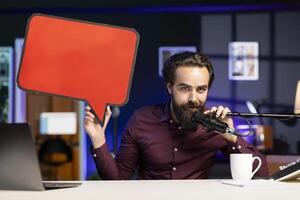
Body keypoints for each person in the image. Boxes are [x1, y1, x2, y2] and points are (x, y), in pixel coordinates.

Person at [84, 52, 269, 179]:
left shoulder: (216, 124)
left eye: (201, 89)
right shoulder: (141, 120)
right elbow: (118, 179)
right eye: (185, 88)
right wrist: (98, 139)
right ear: (169, 87)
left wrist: (231, 137)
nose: (193, 98)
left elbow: (261, 173)